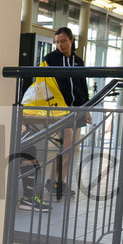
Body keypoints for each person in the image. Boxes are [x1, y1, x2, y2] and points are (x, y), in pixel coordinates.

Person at [40, 26, 90, 199]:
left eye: (63, 41)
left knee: (69, 149)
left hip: (77, 109)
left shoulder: (78, 61)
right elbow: (44, 84)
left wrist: (87, 108)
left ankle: (58, 182)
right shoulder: (50, 59)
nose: (60, 45)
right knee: (66, 146)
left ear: (71, 40)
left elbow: (83, 85)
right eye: (57, 42)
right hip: (60, 109)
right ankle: (54, 182)